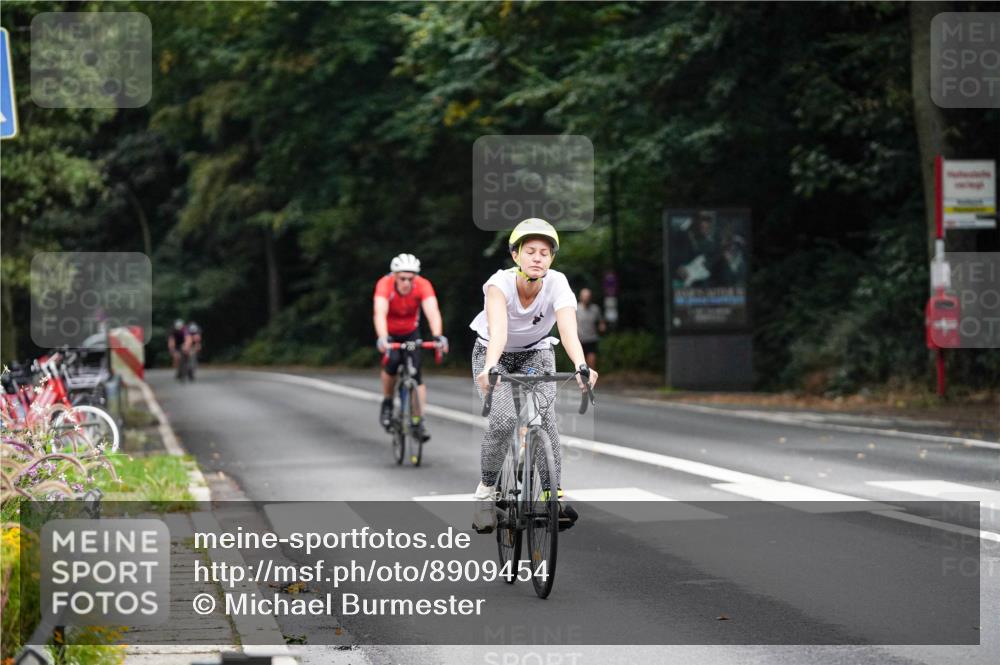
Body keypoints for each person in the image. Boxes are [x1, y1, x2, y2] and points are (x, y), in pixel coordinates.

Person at [468, 218, 598, 533]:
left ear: (551, 259)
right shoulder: (499, 284)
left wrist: (581, 365)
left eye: (544, 253)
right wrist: (491, 366)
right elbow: (498, 330)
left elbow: (568, 330)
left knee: (545, 418)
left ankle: (551, 494)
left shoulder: (558, 283)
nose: (538, 258)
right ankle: (486, 493)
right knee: (504, 420)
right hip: (491, 352)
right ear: (516, 256)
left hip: (535, 353)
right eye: (530, 251)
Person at [373, 253, 447, 442]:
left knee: (416, 375)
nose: (406, 282)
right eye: (402, 278)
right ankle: (388, 402)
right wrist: (382, 338)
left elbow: (432, 311)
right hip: (389, 332)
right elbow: (379, 313)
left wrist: (437, 336)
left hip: (411, 332)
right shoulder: (385, 284)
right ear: (395, 276)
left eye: (410, 278)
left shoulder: (423, 285)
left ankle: (418, 421)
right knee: (392, 364)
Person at [576, 288, 606, 369]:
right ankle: (582, 379)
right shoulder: (576, 308)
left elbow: (601, 321)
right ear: (580, 297)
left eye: (588, 296)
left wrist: (602, 326)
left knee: (592, 361)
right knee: (581, 363)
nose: (586, 298)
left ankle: (591, 379)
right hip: (579, 339)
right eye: (584, 296)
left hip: (591, 339)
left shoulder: (595, 309)